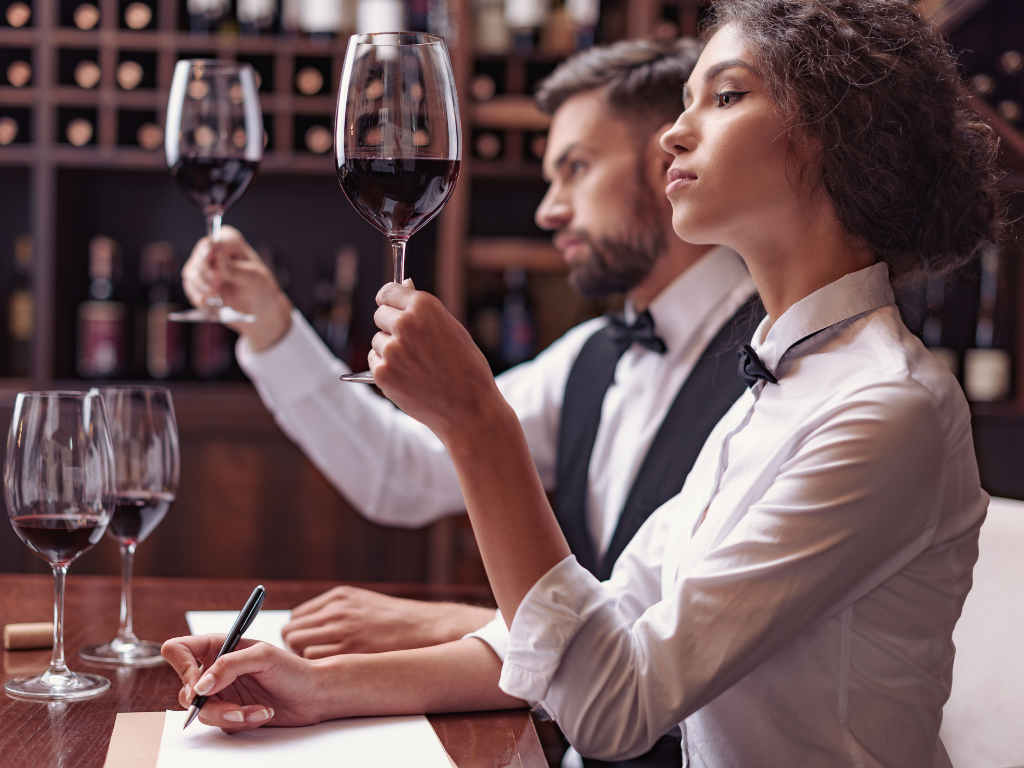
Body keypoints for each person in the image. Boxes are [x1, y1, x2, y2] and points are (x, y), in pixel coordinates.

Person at [164, 0, 1003, 764]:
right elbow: (608, 618)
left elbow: (614, 703)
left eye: (724, 96)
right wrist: (314, 688)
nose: (675, 136)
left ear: (836, 133)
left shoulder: (884, 409)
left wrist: (476, 420)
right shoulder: (782, 383)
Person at [183, 39, 756, 671]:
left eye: (576, 169)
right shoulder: (591, 356)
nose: (549, 211)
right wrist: (270, 324)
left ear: (668, 154)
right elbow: (401, 473)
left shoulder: (777, 360)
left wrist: (453, 624)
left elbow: (702, 639)